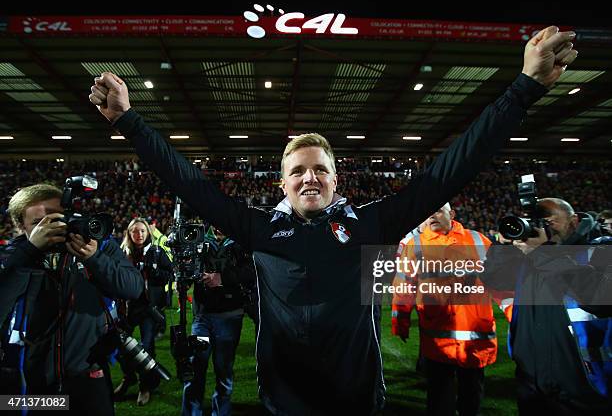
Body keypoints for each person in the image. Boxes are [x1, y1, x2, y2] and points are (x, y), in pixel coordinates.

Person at [89, 26, 577, 414]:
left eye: (319, 169)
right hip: (285, 400)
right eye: (296, 171)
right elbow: (188, 183)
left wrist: (524, 89)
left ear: (335, 179)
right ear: (282, 184)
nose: (308, 178)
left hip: (356, 398)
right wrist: (128, 120)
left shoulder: (370, 224)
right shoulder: (260, 229)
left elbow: (449, 173)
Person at [0, 184, 143, 415]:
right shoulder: (12, 257)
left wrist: (94, 258)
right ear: (20, 227)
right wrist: (29, 252)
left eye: (56, 218)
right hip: (30, 382)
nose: (51, 228)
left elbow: (134, 288)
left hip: (90, 375)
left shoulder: (98, 245)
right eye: (39, 223)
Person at [482, 198, 612, 414]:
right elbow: (494, 280)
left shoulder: (600, 247)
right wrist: (503, 246)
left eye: (549, 222)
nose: (542, 229)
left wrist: (544, 252)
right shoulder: (531, 252)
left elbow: (601, 299)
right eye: (536, 223)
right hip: (532, 380)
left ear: (574, 220)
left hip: (584, 381)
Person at [391, 204, 500, 416]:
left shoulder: (479, 241)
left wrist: (516, 316)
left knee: (472, 399)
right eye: (427, 211)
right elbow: (404, 287)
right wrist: (400, 321)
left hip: (474, 340)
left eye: (438, 210)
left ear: (451, 214)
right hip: (438, 344)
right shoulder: (416, 246)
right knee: (440, 402)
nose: (432, 214)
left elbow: (501, 284)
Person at [182, 226, 256, 416]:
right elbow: (187, 274)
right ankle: (191, 413)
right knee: (194, 367)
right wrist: (184, 270)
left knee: (223, 372)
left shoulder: (241, 241)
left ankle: (221, 413)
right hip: (202, 318)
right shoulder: (198, 240)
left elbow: (251, 271)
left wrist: (222, 278)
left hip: (230, 317)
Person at [113, 217, 172, 406]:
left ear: (148, 233)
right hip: (127, 308)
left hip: (148, 308)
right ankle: (128, 377)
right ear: (129, 234)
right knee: (120, 349)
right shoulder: (122, 252)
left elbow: (170, 274)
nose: (139, 235)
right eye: (135, 231)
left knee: (146, 348)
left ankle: (145, 386)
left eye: (142, 231)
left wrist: (153, 271)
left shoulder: (156, 251)